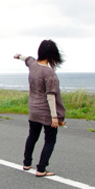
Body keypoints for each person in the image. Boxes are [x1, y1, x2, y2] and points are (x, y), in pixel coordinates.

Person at [14, 39, 66, 177]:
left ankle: (26, 163)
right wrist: (55, 117)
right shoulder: (49, 73)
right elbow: (51, 96)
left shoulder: (33, 65)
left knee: (32, 136)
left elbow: (26, 58)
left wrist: (18, 55)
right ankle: (41, 169)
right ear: (52, 54)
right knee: (50, 139)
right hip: (46, 112)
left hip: (33, 109)